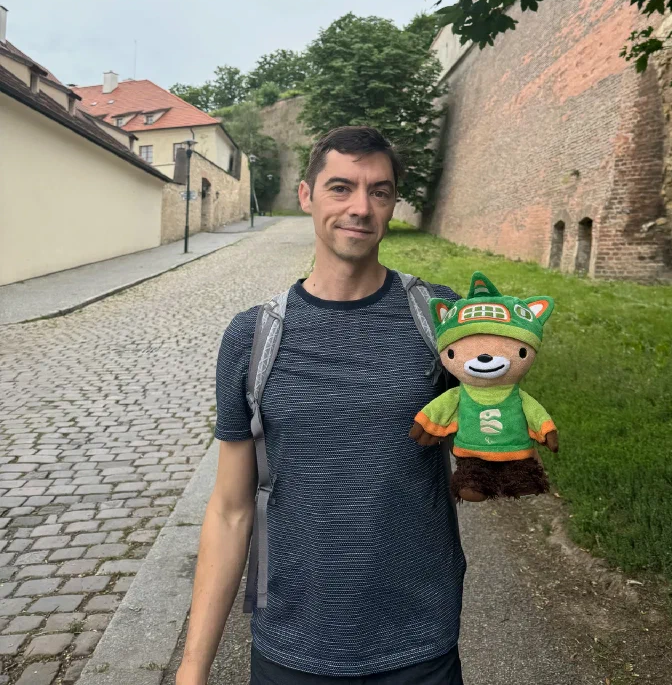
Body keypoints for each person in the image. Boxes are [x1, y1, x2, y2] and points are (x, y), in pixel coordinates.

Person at [176, 125, 466, 685]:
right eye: (340, 188)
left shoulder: (440, 318)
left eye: (379, 191)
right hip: (291, 643)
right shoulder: (252, 336)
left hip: (419, 640)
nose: (360, 207)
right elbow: (230, 510)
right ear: (306, 196)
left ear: (392, 203)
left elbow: (490, 425)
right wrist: (192, 670)